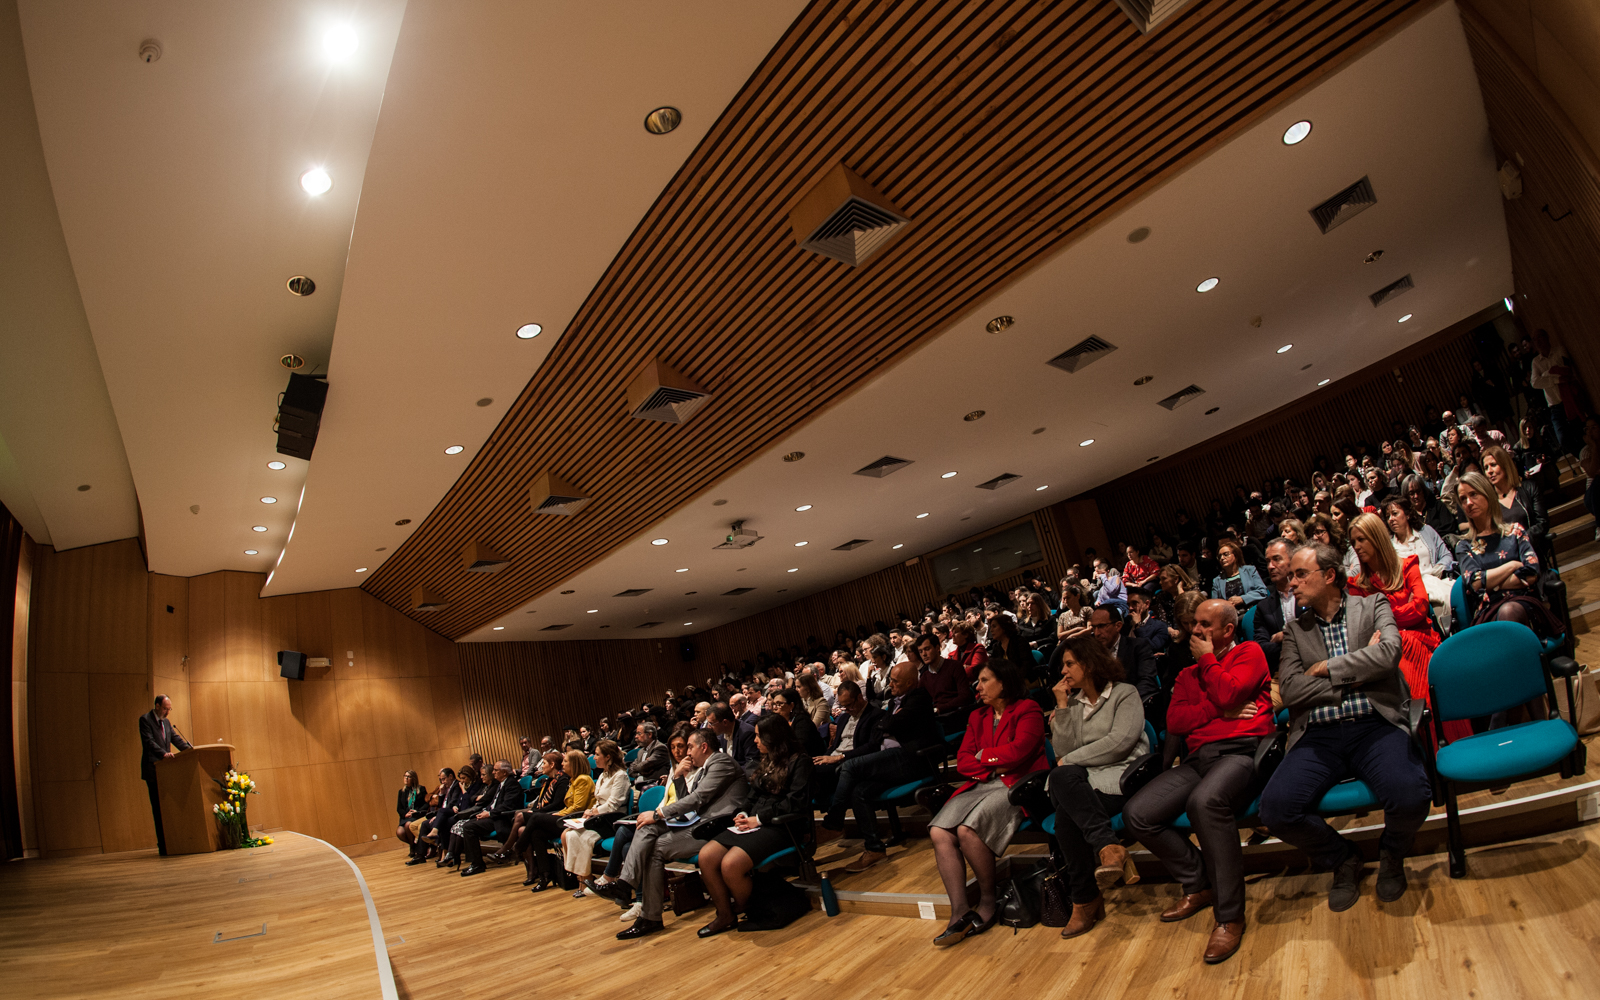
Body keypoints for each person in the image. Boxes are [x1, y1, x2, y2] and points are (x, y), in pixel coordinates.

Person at [1260, 542, 1434, 911]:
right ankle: (1343, 858)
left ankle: (1391, 854)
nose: (1292, 583)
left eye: (1300, 574)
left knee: (1412, 794)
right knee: (1275, 810)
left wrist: (1328, 668)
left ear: (1329, 575)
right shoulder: (1294, 630)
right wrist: (1356, 672)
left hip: (1375, 724)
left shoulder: (1373, 605)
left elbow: (1388, 655)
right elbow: (1290, 689)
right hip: (1319, 735)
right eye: (1290, 575)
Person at [1123, 598, 1271, 965]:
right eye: (1194, 624)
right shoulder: (1187, 674)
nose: (1196, 631)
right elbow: (1176, 722)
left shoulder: (1249, 653)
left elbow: (1230, 692)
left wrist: (1210, 668)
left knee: (1204, 803)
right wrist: (1218, 710)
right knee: (1138, 813)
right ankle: (1198, 881)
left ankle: (1229, 916)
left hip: (1241, 752)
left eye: (1206, 625)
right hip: (1197, 759)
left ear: (1228, 630)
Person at [926, 661, 1047, 948]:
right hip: (983, 782)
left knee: (968, 830)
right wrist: (990, 764)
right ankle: (958, 911)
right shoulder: (977, 716)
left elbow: (1020, 751)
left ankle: (988, 901)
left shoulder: (1027, 709)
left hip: (1017, 784)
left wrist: (984, 758)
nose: (977, 687)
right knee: (938, 832)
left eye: (983, 680)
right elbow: (964, 759)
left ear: (1003, 682)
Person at [1046, 636, 1149, 939]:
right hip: (1085, 782)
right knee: (1064, 788)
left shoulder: (1124, 694)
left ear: (1088, 664)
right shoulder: (1073, 705)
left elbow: (1121, 742)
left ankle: (1085, 901)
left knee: (1066, 813)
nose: (1063, 671)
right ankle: (1108, 847)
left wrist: (1070, 760)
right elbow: (1062, 751)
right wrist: (1062, 707)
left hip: (1123, 775)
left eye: (1069, 664)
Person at [606, 729, 751, 938]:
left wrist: (658, 813)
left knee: (653, 844)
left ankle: (646, 912)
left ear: (703, 747)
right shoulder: (702, 769)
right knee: (648, 835)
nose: (687, 753)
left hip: (718, 827)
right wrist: (679, 777)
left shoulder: (720, 762)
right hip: (700, 823)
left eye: (689, 747)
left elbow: (697, 799)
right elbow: (689, 802)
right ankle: (631, 894)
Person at [818, 660, 943, 873]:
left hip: (911, 759)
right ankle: (874, 849)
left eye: (895, 681)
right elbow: (882, 729)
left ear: (910, 682)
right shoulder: (895, 702)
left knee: (849, 767)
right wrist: (888, 724)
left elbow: (889, 724)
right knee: (859, 791)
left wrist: (887, 724)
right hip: (889, 759)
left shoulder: (919, 698)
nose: (890, 685)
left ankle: (834, 821)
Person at [694, 716, 814, 938]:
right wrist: (742, 813)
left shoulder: (800, 761)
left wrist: (757, 819)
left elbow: (795, 802)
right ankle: (724, 914)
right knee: (707, 856)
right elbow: (753, 796)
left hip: (781, 826)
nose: (755, 740)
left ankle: (746, 907)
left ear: (773, 737)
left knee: (730, 864)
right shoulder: (767, 760)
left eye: (759, 735)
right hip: (755, 823)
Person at [1453, 471, 1559, 633]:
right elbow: (1474, 582)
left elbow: (1531, 572)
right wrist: (1512, 566)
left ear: (1487, 494)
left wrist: (1490, 584)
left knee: (1509, 611)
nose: (1468, 502)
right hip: (1488, 610)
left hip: (1524, 602)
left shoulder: (1514, 532)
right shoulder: (1464, 545)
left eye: (1473, 494)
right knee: (1501, 618)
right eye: (1463, 499)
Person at [559, 740, 629, 889]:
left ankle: (584, 882)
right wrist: (590, 811)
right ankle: (584, 878)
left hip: (612, 819)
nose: (594, 758)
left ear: (608, 757)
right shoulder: (603, 775)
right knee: (570, 834)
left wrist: (593, 811)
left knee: (580, 837)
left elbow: (613, 805)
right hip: (598, 817)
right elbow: (598, 800)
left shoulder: (620, 776)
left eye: (597, 755)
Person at [525, 751, 596, 891]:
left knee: (535, 817)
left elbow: (578, 808)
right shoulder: (572, 780)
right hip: (568, 817)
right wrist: (559, 814)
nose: (562, 764)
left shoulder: (583, 779)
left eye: (565, 762)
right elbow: (569, 806)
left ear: (574, 764)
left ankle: (517, 847)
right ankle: (545, 875)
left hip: (579, 819)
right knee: (537, 834)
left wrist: (558, 814)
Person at [1382, 498, 1456, 632]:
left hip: (1435, 578)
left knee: (1455, 591)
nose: (1391, 519)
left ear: (1408, 514)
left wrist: (1436, 571)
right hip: (1411, 591)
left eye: (1395, 513)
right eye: (1388, 516)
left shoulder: (1426, 531)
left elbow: (1446, 556)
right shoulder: (1389, 546)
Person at [139, 695, 194, 856]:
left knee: (169, 808)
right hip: (154, 770)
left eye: (169, 709)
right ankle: (163, 847)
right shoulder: (145, 720)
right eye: (165, 708)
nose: (167, 712)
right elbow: (148, 742)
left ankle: (173, 843)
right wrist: (164, 754)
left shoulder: (166, 722)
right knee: (158, 809)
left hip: (167, 771)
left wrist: (190, 751)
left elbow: (176, 739)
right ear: (157, 706)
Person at [452, 760, 524, 877]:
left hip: (502, 819)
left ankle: (477, 864)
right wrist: (485, 812)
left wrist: (489, 814)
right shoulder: (501, 783)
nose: (493, 772)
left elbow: (508, 806)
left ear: (504, 772)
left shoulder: (512, 784)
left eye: (496, 770)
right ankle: (468, 860)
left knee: (469, 827)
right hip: (494, 817)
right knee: (466, 824)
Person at [1482, 443, 1549, 560]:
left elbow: (1542, 523)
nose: (1489, 471)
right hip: (1506, 559)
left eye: (1493, 465)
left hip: (1533, 553)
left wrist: (1521, 542)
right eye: (1486, 467)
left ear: (1504, 465)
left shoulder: (1529, 488)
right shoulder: (1488, 503)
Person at [1090, 605, 1158, 702]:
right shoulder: (1090, 651)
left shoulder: (1138, 647)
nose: (1097, 633)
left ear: (1118, 626)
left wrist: (1125, 702)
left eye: (1101, 626)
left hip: (1128, 703)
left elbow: (1147, 682)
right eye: (1094, 627)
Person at [1253, 538, 1298, 680]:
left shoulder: (1310, 594)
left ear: (1292, 560)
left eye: (1277, 559)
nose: (1271, 566)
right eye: (1267, 561)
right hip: (1283, 673)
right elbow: (1262, 648)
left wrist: (1285, 635)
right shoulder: (1264, 608)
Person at [433, 765, 484, 868]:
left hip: (470, 815)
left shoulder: (475, 786)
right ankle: (451, 856)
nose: (462, 780)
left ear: (470, 776)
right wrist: (456, 805)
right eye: (461, 778)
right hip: (462, 814)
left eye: (464, 778)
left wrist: (464, 791)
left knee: (450, 824)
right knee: (452, 827)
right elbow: (460, 802)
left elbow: (467, 803)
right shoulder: (465, 785)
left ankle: (452, 856)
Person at [404, 767, 455, 864]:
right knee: (423, 825)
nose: (442, 781)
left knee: (426, 825)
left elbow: (449, 805)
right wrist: (440, 794)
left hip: (446, 814)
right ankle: (420, 855)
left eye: (443, 778)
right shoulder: (442, 787)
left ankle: (435, 844)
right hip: (438, 813)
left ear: (450, 777)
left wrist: (437, 807)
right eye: (440, 779)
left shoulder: (455, 786)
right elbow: (428, 798)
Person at [914, 633, 971, 711]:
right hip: (936, 716)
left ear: (937, 648)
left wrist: (940, 709)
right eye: (920, 651)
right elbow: (919, 700)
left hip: (956, 713)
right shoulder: (925, 675)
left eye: (927, 649)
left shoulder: (955, 667)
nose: (924, 654)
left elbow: (965, 696)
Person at [1210, 538, 1268, 609]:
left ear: (1236, 556)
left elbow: (1262, 592)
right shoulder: (1217, 581)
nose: (1222, 558)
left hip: (1251, 611)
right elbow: (1215, 604)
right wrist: (1226, 604)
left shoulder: (1250, 570)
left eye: (1226, 554)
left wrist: (1242, 599)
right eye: (1219, 556)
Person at [769, 687, 826, 757]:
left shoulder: (802, 721)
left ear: (791, 705)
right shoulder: (778, 721)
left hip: (807, 760)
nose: (775, 708)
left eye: (779, 704)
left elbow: (800, 747)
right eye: (774, 704)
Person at [627, 722, 671, 789]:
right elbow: (630, 770)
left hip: (655, 787)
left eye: (639, 733)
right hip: (641, 786)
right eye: (636, 734)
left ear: (649, 734)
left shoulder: (660, 748)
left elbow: (644, 766)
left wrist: (639, 768)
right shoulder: (640, 751)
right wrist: (640, 773)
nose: (636, 736)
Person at [395, 770, 427, 847]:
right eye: (405, 776)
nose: (406, 778)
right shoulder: (401, 792)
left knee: (408, 825)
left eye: (408, 777)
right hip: (406, 816)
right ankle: (416, 846)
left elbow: (426, 804)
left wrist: (417, 811)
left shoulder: (421, 789)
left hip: (416, 815)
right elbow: (399, 808)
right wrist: (405, 814)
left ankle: (412, 848)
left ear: (413, 779)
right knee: (399, 832)